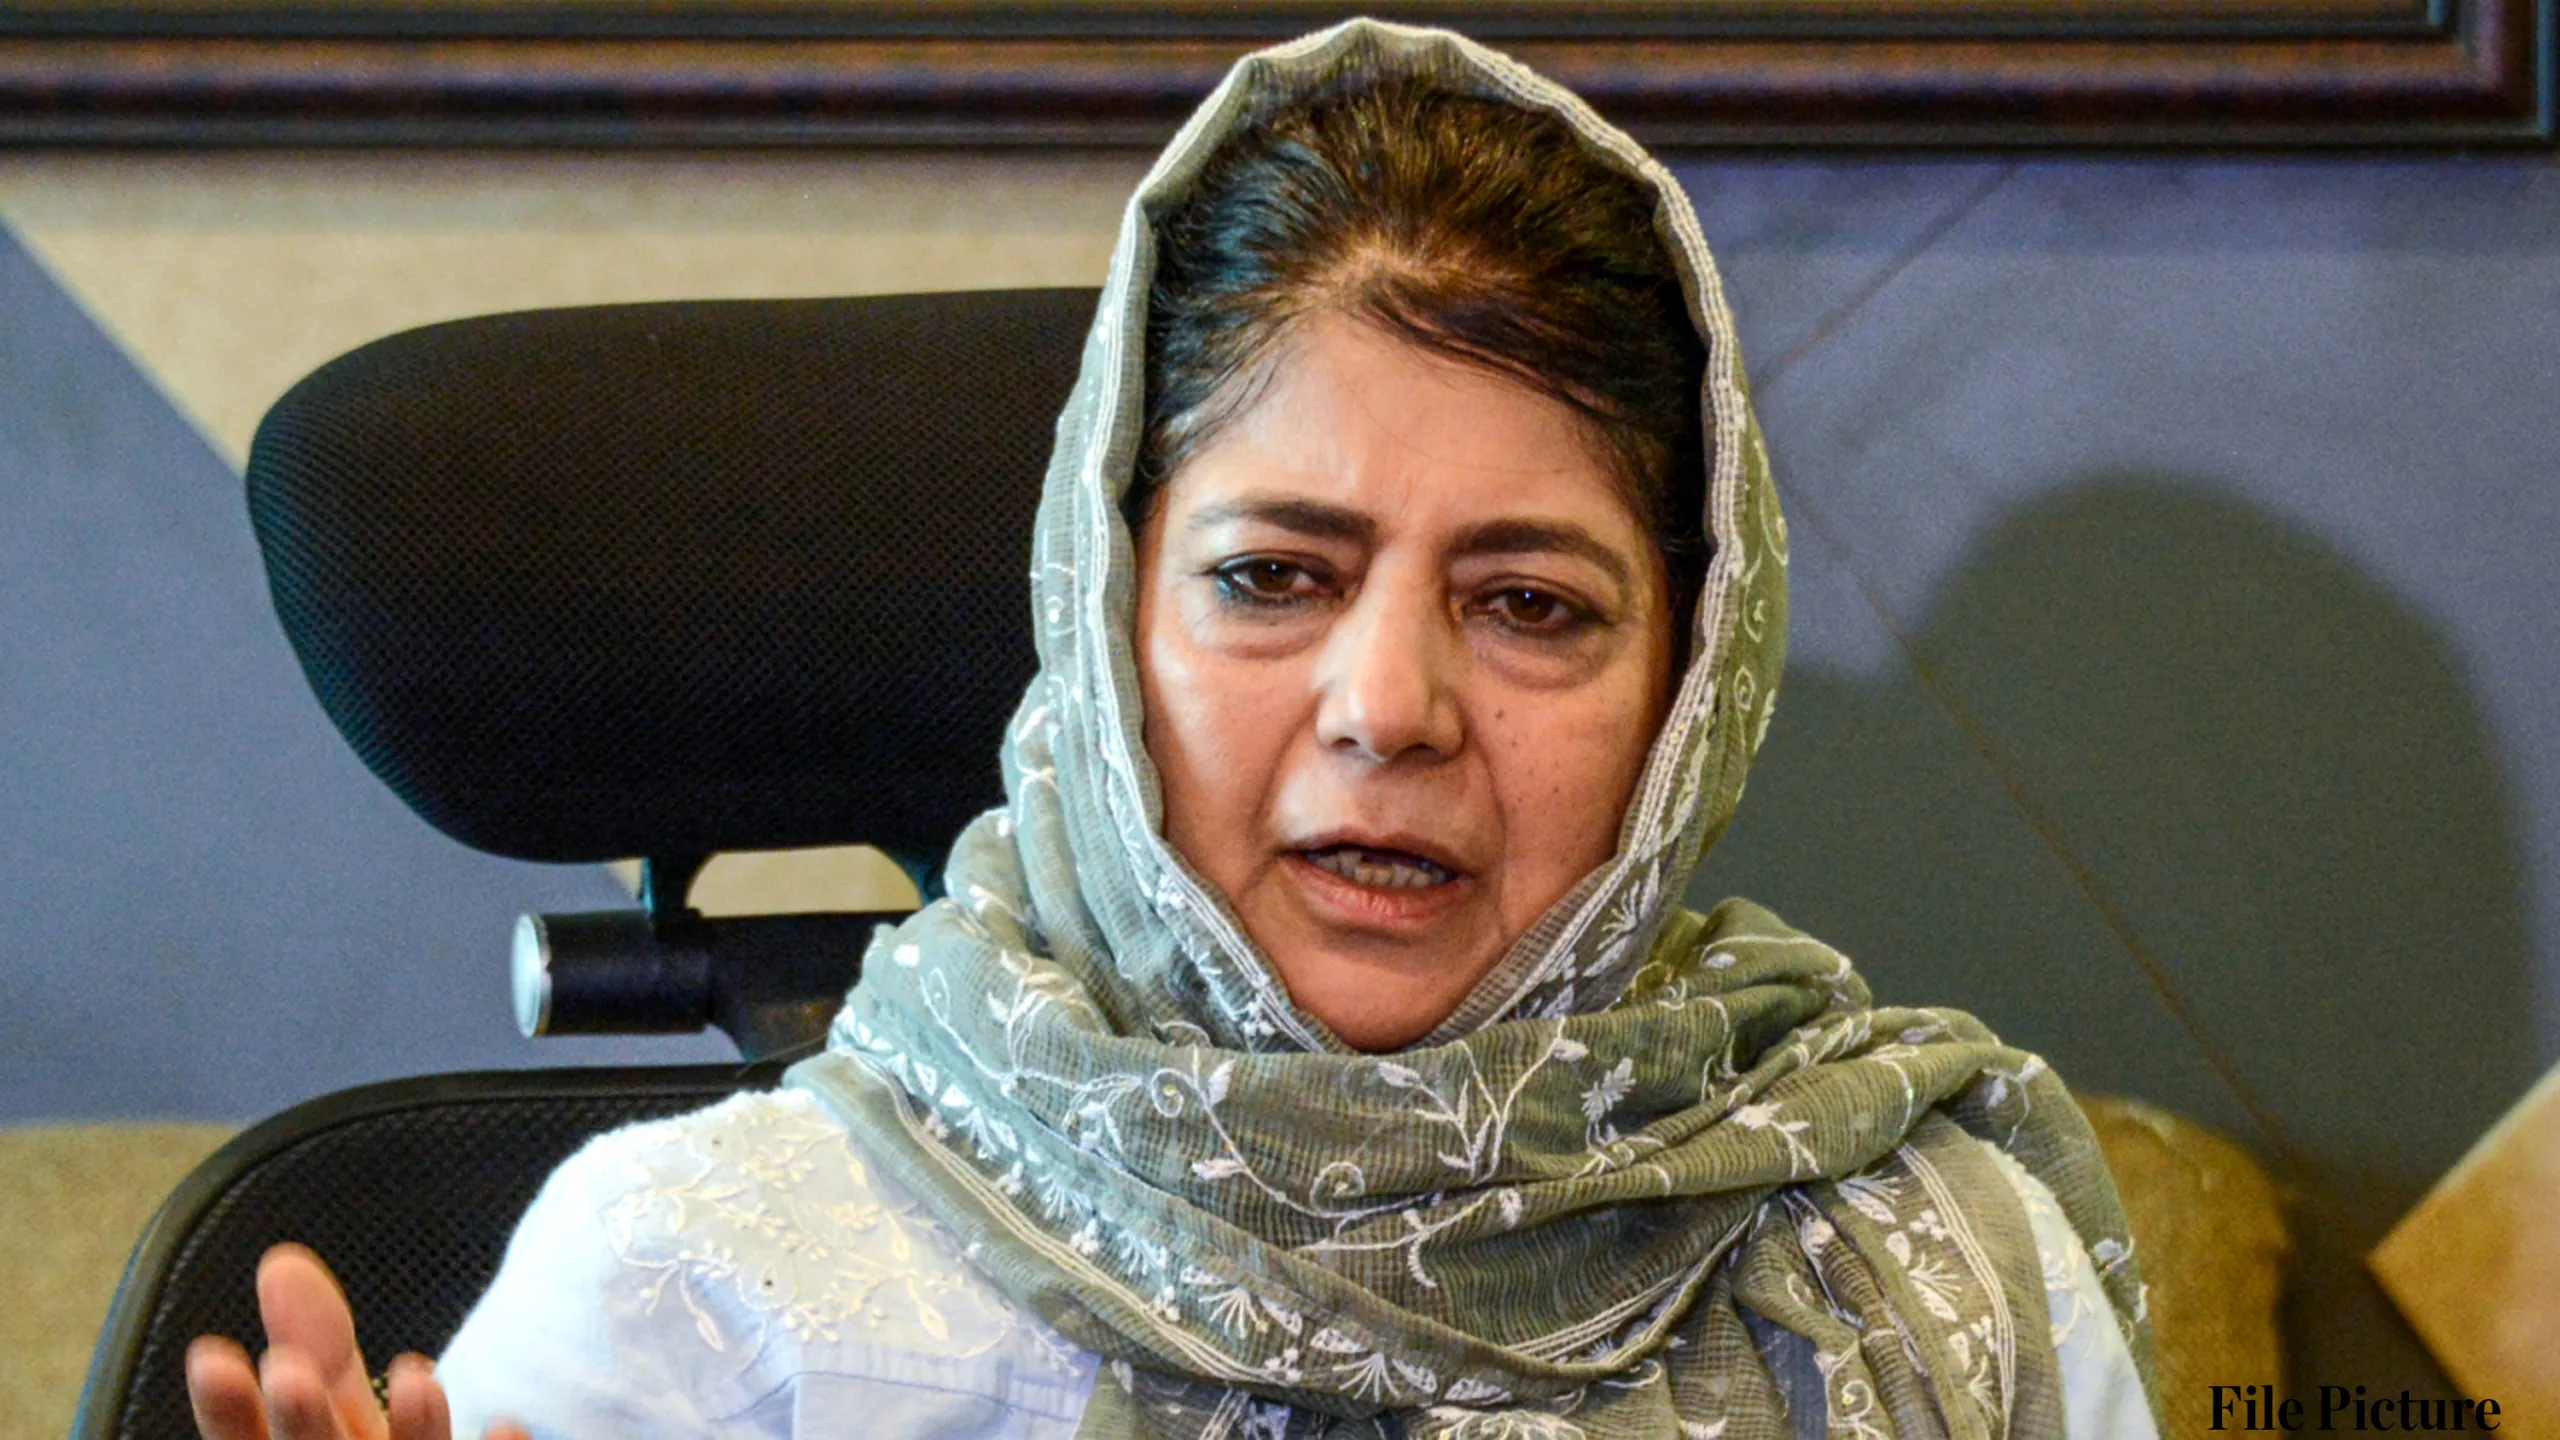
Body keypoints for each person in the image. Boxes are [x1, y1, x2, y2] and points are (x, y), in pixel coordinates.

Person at [185, 20, 2161, 1440]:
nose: (1388, 710)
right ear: (1105, 619)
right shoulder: (697, 1291)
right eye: (1273, 576)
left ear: (1692, 693)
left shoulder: (1931, 1268)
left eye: (1531, 606)